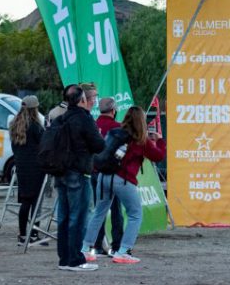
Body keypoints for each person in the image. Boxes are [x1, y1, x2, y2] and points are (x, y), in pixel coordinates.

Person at [82, 107, 165, 264]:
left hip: (103, 176)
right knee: (135, 214)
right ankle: (123, 251)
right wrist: (160, 141)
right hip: (123, 179)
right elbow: (158, 156)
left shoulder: (115, 133)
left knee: (99, 212)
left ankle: (85, 249)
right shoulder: (141, 140)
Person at [55, 84, 105, 271]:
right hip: (78, 172)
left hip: (61, 172)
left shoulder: (61, 118)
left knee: (64, 217)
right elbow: (99, 145)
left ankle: (64, 259)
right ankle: (75, 260)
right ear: (82, 99)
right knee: (78, 217)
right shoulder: (84, 118)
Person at [10, 96, 45, 245]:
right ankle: (34, 233)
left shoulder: (14, 125)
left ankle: (22, 235)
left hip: (21, 167)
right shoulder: (36, 126)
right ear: (34, 109)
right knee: (36, 202)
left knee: (25, 201)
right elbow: (43, 145)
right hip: (36, 168)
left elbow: (14, 148)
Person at [91, 96, 124, 257]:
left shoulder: (93, 125)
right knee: (116, 210)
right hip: (112, 174)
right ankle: (117, 245)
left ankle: (97, 245)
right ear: (113, 110)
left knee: (99, 210)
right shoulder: (118, 127)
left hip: (95, 172)